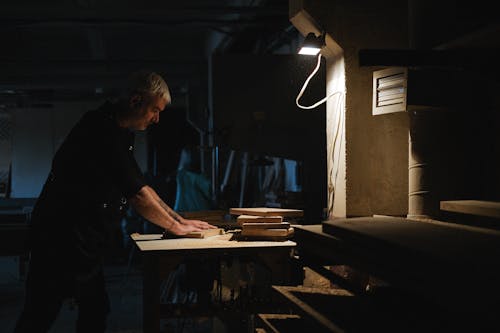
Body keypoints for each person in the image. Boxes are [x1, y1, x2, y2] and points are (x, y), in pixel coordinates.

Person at [14, 70, 216, 333]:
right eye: (154, 110)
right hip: (59, 240)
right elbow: (138, 195)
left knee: (95, 310)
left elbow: (141, 185)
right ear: (136, 101)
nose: (156, 119)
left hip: (83, 242)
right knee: (40, 313)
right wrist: (176, 229)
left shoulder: (120, 131)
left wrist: (179, 220)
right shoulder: (100, 129)